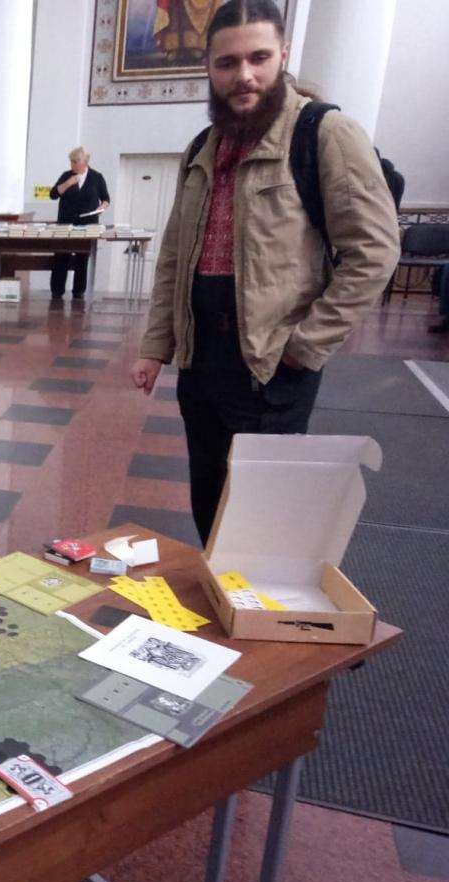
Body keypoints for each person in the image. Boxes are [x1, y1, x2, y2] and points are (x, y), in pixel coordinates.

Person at [128, 0, 400, 545]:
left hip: (271, 362)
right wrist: (156, 347)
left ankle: (251, 598)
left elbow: (374, 251)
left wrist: (304, 346)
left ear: (283, 55)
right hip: (203, 360)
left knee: (259, 519)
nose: (244, 75)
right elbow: (175, 256)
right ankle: (216, 593)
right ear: (208, 67)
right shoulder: (202, 148)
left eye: (259, 58)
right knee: (209, 500)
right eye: (227, 63)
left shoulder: (325, 133)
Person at [48, 147, 110, 300]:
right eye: (71, 161)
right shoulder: (66, 176)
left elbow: (106, 199)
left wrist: (101, 208)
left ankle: (78, 292)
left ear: (85, 161)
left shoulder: (96, 177)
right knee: (61, 256)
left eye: (76, 162)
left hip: (87, 224)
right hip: (66, 222)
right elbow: (53, 195)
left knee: (82, 257)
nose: (73, 165)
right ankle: (57, 292)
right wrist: (68, 183)